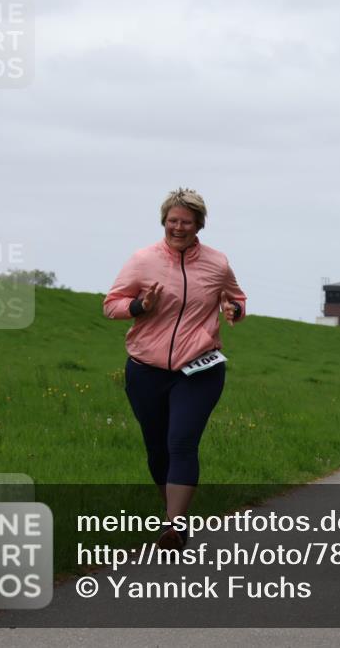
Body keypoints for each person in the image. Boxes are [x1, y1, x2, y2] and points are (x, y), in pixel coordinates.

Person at [104, 188, 246, 550]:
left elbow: (236, 298)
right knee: (157, 449)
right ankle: (172, 512)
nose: (178, 227)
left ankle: (174, 528)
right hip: (145, 369)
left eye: (185, 222)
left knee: (181, 442)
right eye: (172, 221)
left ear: (199, 225)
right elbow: (111, 305)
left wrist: (234, 311)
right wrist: (139, 306)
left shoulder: (217, 263)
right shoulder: (142, 260)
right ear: (163, 222)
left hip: (198, 369)